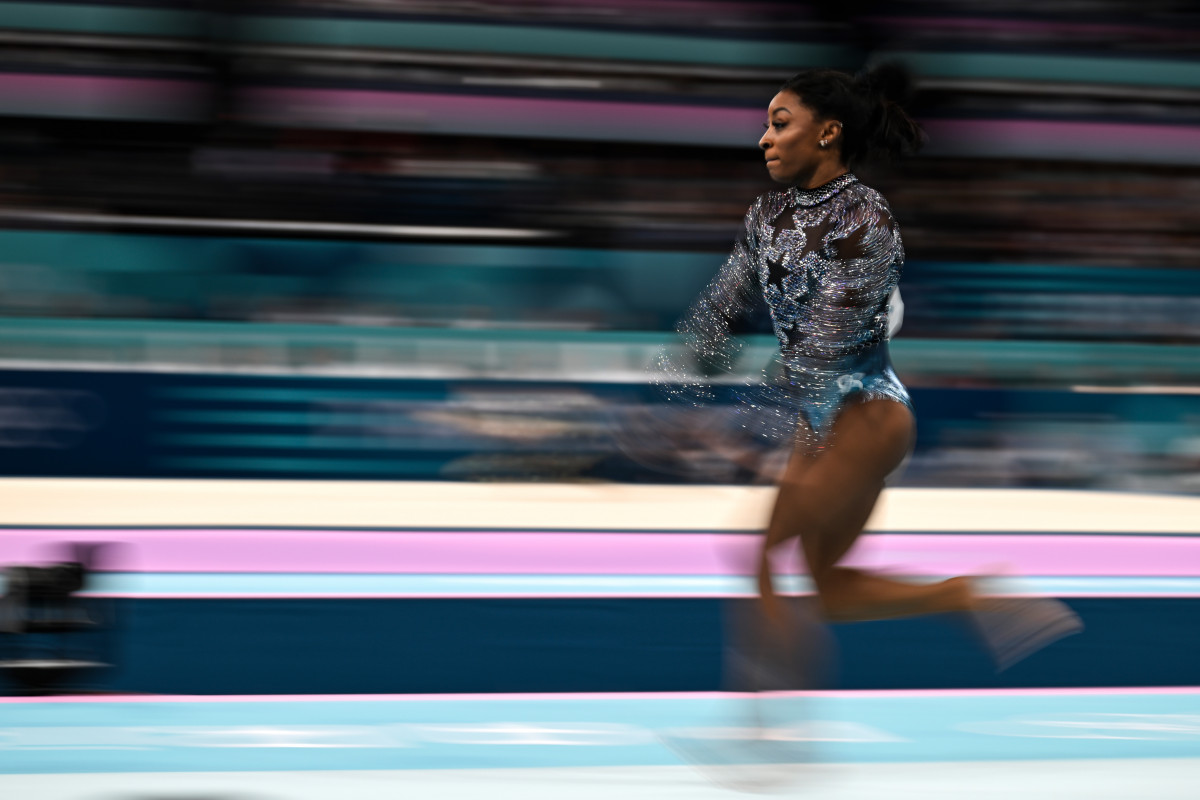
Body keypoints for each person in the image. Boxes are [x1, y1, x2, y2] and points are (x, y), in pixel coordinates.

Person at [656, 65, 1081, 675]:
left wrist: (748, 423)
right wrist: (681, 379)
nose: (764, 138)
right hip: (818, 419)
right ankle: (968, 594)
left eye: (780, 124)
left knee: (761, 553)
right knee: (831, 592)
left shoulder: (867, 218)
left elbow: (835, 335)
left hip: (867, 412)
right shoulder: (764, 216)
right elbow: (722, 307)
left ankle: (768, 724)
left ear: (827, 134)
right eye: (765, 126)